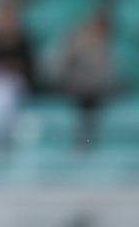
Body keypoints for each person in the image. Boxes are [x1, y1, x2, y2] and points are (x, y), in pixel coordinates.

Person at [49, 11, 115, 147]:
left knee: (91, 99)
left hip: (94, 91)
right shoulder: (73, 43)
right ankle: (82, 141)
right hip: (73, 87)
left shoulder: (106, 50)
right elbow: (57, 70)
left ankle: (86, 141)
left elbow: (107, 77)